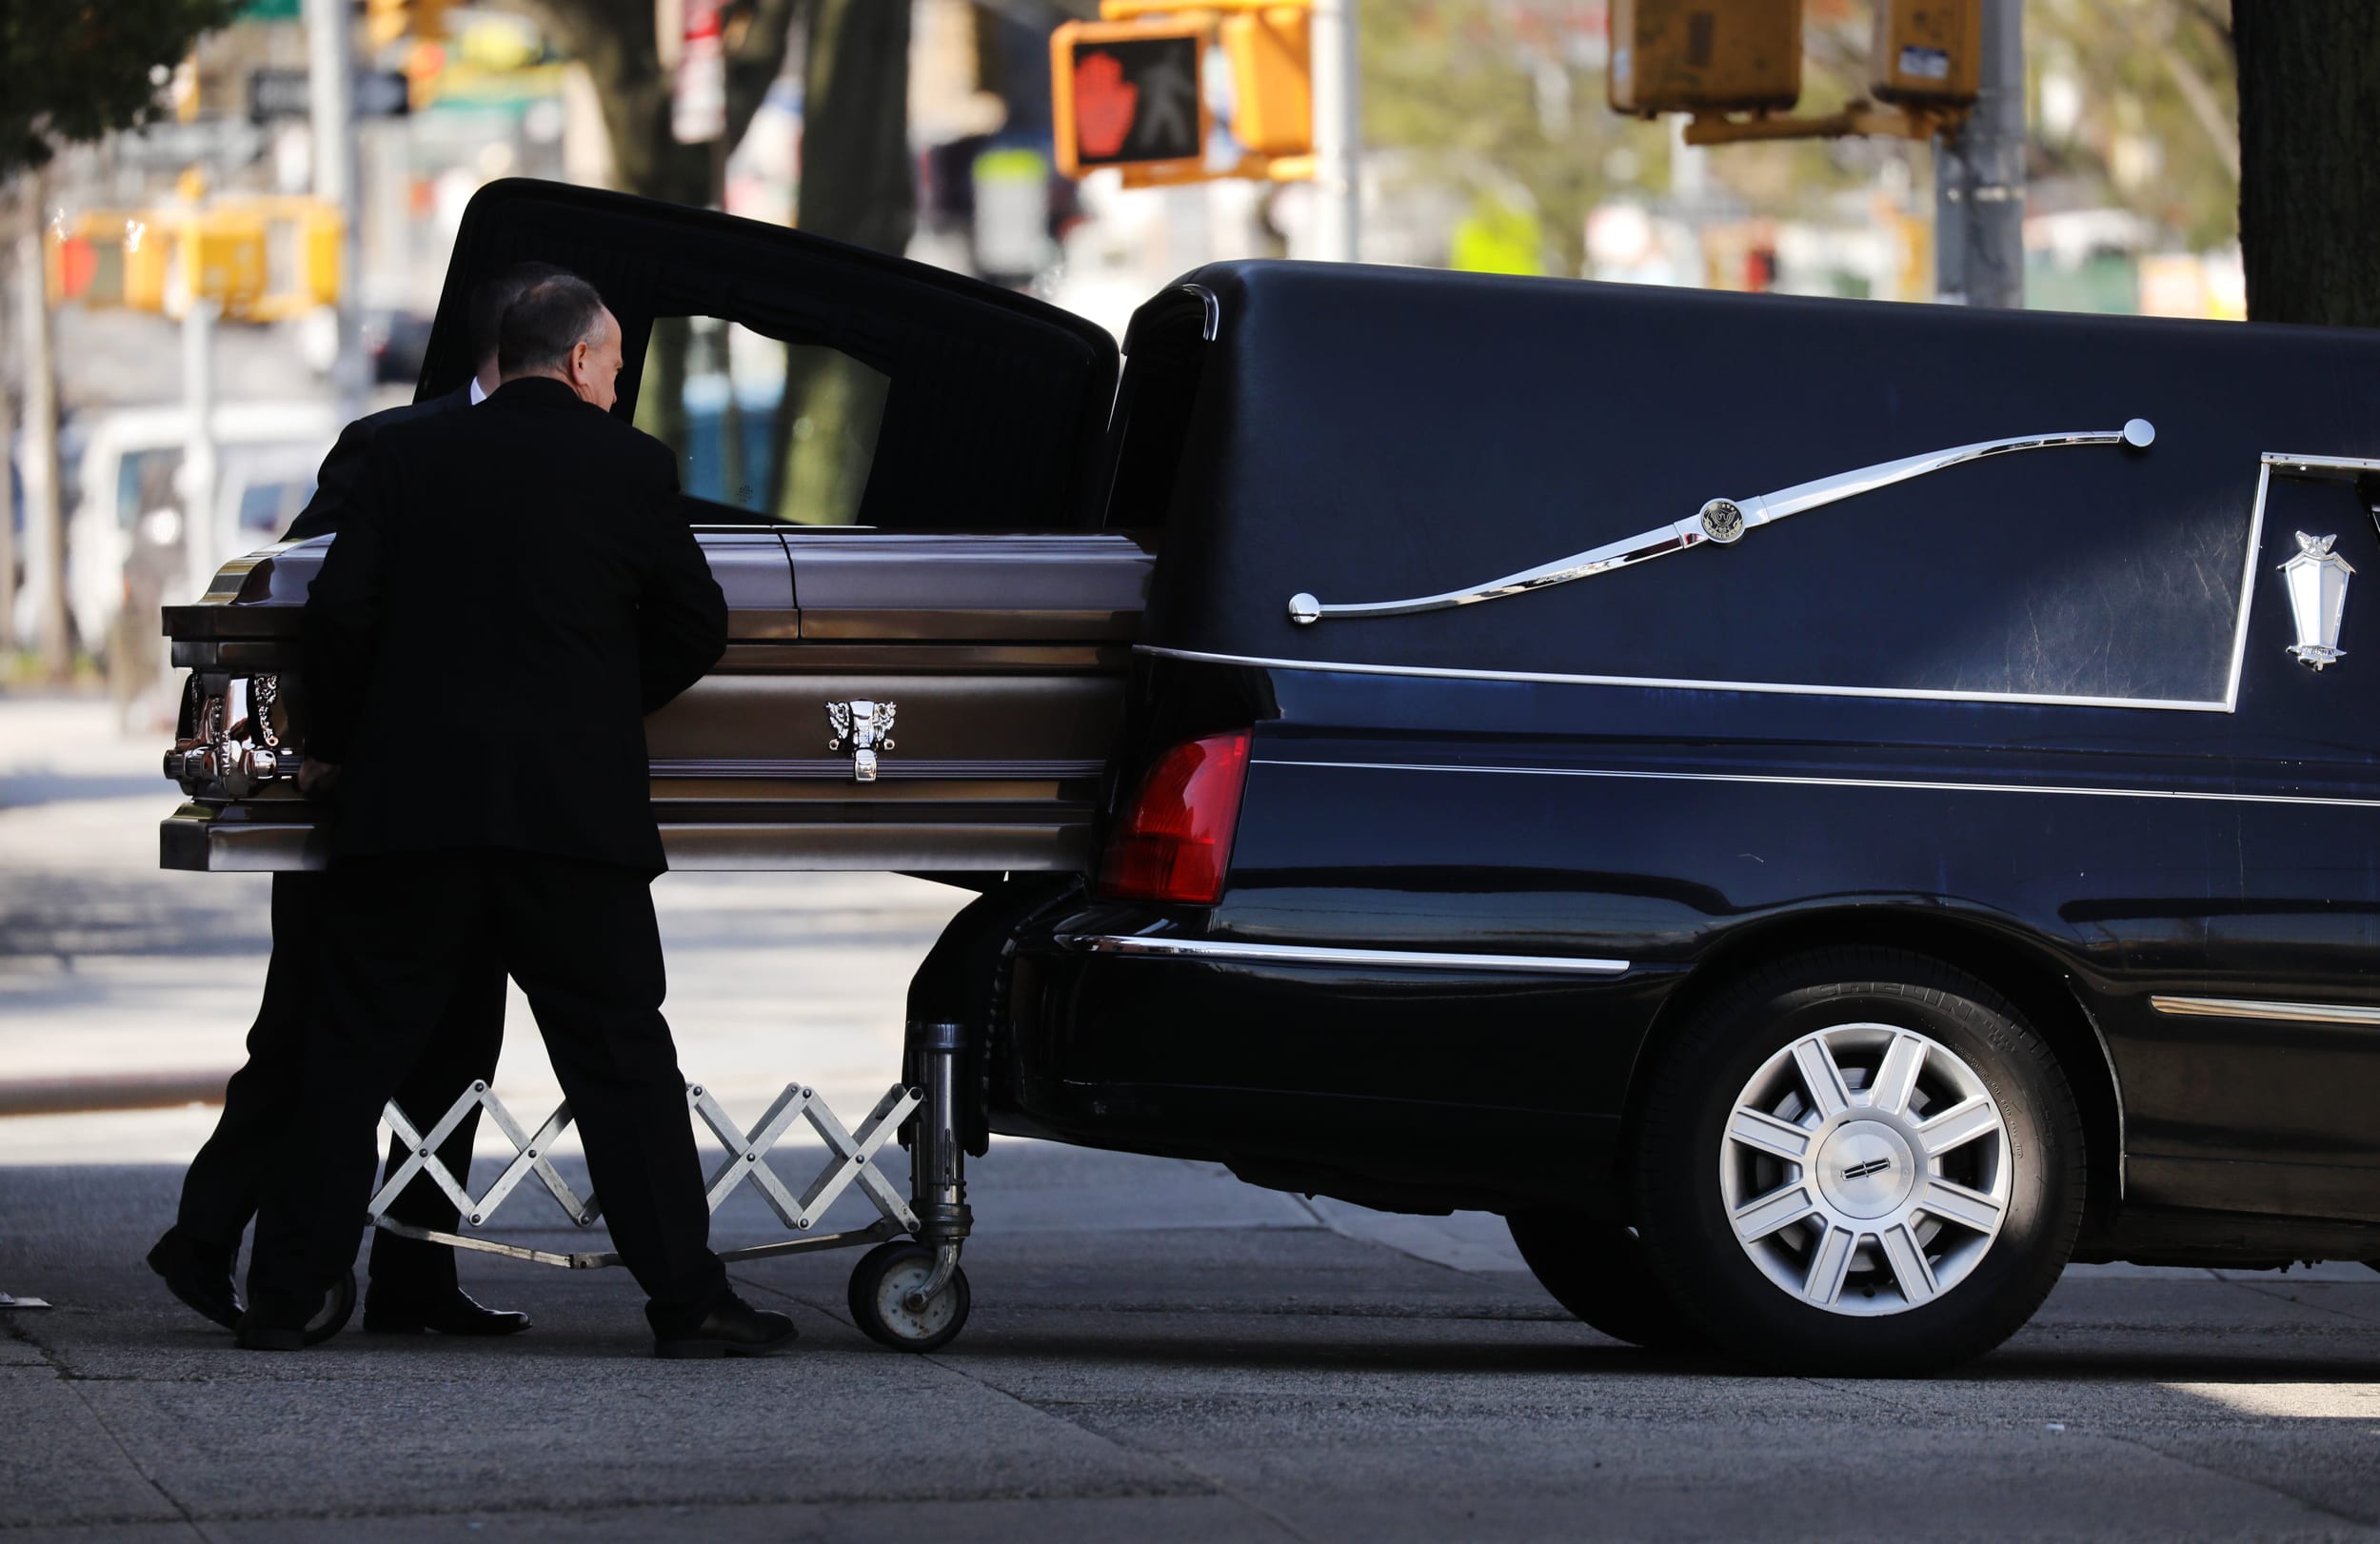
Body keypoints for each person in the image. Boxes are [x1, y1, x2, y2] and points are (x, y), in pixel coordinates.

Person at [238, 275, 789, 1358]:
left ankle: (289, 1295)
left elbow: (339, 615)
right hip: (569, 823)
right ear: (582, 361)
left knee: (346, 1060)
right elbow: (697, 623)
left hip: (411, 812)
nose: (617, 384)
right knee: (621, 1061)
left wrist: (363, 740)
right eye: (616, 366)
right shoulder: (630, 467)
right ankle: (687, 1299)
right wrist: (592, 704)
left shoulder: (404, 455)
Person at [145, 261, 567, 1341]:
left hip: (469, 799)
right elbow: (307, 600)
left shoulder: (561, 451)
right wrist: (325, 751)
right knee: (304, 1038)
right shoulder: (389, 445)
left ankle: (417, 1275)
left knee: (461, 1042)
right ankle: (206, 1238)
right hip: (363, 798)